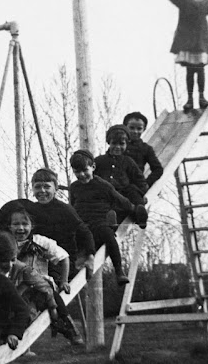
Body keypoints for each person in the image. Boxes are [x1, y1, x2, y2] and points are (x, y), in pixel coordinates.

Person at [0, 212, 83, 345]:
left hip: (41, 284)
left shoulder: (39, 241)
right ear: (9, 226)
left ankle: (68, 326)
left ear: (32, 225)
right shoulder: (6, 243)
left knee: (48, 297)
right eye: (16, 224)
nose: (20, 228)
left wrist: (64, 281)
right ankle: (6, 340)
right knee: (17, 310)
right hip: (18, 287)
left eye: (25, 224)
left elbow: (64, 257)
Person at [69, 149, 148, 284]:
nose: (81, 175)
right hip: (82, 223)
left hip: (99, 221)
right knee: (72, 239)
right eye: (77, 172)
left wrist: (135, 210)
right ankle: (70, 271)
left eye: (85, 170)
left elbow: (120, 200)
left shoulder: (103, 186)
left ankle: (119, 271)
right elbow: (72, 206)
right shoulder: (74, 187)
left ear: (93, 167)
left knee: (108, 236)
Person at [166, 0, 208, 112]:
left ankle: (201, 97)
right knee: (190, 71)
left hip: (201, 42)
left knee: (200, 70)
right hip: (187, 43)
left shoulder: (207, 3)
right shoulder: (183, 2)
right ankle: (189, 99)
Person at [94, 124, 148, 207]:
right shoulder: (99, 161)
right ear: (109, 143)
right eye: (114, 143)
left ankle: (139, 211)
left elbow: (140, 180)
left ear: (126, 144)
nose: (117, 147)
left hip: (123, 197)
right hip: (104, 196)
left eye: (121, 144)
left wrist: (141, 194)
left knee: (132, 190)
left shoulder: (128, 161)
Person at [121, 112, 163, 190]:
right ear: (125, 127)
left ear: (144, 129)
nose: (135, 131)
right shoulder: (118, 146)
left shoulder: (145, 148)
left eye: (139, 128)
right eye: (131, 128)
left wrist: (146, 184)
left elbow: (158, 169)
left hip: (134, 188)